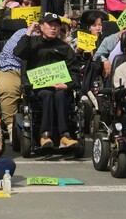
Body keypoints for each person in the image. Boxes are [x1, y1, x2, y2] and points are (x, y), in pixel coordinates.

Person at [13, 13, 82, 149]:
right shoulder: (32, 43)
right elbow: (18, 52)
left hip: (60, 87)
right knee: (47, 95)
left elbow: (74, 71)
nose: (53, 28)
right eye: (50, 25)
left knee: (61, 95)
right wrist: (29, 32)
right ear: (42, 26)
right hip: (38, 89)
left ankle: (65, 135)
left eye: (56, 25)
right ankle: (45, 135)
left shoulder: (65, 48)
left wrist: (67, 85)